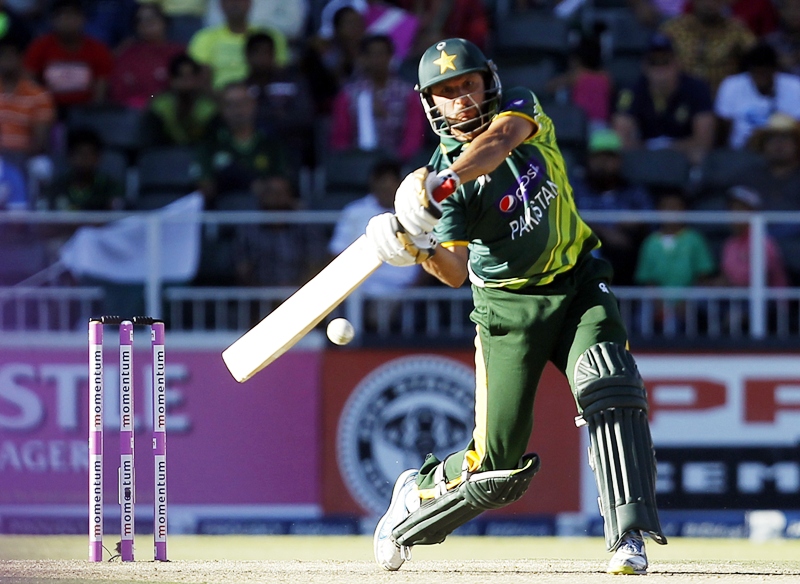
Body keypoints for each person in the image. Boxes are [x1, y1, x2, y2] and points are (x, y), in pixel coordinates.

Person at [364, 38, 667, 575]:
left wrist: (445, 182)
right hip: (508, 313)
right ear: (430, 105)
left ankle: (628, 537)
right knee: (498, 471)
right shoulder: (445, 189)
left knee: (610, 384)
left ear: (489, 82)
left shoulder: (519, 109)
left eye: (468, 86)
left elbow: (500, 140)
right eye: (446, 93)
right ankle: (416, 495)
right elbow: (455, 272)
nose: (461, 100)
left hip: (576, 282)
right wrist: (415, 244)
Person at [329, 158, 424, 306]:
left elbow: (429, 257)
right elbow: (337, 251)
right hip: (360, 292)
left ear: (400, 185)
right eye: (381, 185)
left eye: (390, 185)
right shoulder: (354, 211)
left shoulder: (417, 213)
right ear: (373, 183)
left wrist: (412, 293)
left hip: (405, 295)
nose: (385, 190)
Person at [613, 33, 714, 165]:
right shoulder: (631, 91)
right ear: (644, 65)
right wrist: (650, 148)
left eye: (665, 61)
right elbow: (620, 139)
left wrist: (667, 147)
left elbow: (704, 141)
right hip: (645, 157)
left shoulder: (697, 89)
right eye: (653, 62)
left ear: (677, 63)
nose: (660, 68)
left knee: (699, 155)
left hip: (684, 158)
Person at [571, 129, 654, 286]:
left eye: (609, 157)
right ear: (588, 159)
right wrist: (604, 232)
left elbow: (649, 223)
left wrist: (633, 225)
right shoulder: (574, 188)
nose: (603, 163)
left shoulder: (634, 192)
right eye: (598, 157)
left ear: (619, 160)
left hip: (626, 255)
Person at [330, 34, 425, 162]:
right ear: (363, 58)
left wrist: (399, 159)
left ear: (391, 57)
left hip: (397, 163)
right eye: (372, 54)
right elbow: (340, 138)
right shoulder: (348, 95)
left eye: (382, 54)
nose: (377, 59)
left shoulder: (408, 94)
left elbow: (413, 136)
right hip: (356, 161)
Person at [192, 81, 288, 205]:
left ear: (254, 104)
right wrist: (241, 179)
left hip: (262, 213)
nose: (237, 110)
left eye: (242, 103)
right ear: (221, 108)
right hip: (221, 216)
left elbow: (280, 185)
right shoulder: (210, 143)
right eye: (230, 104)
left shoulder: (270, 142)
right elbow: (204, 189)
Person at [232, 174, 327, 286]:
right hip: (258, 296)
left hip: (299, 294)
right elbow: (241, 267)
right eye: (271, 193)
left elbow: (315, 262)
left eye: (282, 193)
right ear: (262, 197)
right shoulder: (248, 229)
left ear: (291, 197)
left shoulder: (306, 227)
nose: (276, 198)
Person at [23, 0, 114, 113]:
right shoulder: (39, 47)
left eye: (73, 16)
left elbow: (101, 85)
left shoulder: (98, 49)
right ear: (53, 20)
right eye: (63, 16)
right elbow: (29, 79)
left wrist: (94, 112)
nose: (68, 21)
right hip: (48, 110)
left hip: (85, 111)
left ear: (83, 19)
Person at [714, 42, 800, 150]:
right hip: (742, 151)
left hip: (783, 151)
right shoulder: (731, 85)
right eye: (757, 73)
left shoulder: (795, 86)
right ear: (750, 71)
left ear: (775, 70)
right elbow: (723, 127)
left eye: (765, 73)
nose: (761, 79)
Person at [659, 0, 756, 95]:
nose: (710, 3)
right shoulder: (673, 30)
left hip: (721, 102)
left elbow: (759, 58)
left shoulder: (737, 31)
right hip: (681, 101)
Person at [187, 0, 288, 90]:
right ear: (221, 4)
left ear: (250, 3)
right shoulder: (203, 38)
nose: (235, 3)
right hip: (216, 101)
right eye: (229, 0)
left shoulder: (271, 36)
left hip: (261, 100)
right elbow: (197, 78)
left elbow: (281, 73)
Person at [734, 112, 800, 240]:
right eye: (771, 138)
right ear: (763, 145)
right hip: (758, 245)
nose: (778, 143)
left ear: (796, 144)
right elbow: (739, 217)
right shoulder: (749, 176)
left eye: (785, 137)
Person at [634, 189, 716, 287]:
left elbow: (703, 275)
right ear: (658, 210)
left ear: (684, 209)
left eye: (675, 206)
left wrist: (688, 300)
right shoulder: (649, 242)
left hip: (692, 300)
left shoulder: (695, 239)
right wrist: (657, 301)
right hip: (656, 300)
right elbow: (647, 279)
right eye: (666, 207)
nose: (671, 211)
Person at [109, 3, 184, 109]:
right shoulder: (127, 54)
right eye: (140, 20)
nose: (146, 23)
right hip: (132, 113)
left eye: (151, 18)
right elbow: (119, 92)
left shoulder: (179, 52)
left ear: (164, 22)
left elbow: (185, 87)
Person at [143, 52, 218, 147]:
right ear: (172, 79)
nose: (187, 82)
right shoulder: (160, 106)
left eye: (191, 76)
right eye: (181, 76)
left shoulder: (208, 108)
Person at [720, 185, 788, 288]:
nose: (734, 214)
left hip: (767, 302)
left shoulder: (765, 242)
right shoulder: (730, 244)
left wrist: (727, 285)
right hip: (737, 300)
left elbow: (761, 279)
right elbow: (726, 276)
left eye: (739, 209)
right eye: (731, 208)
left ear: (754, 212)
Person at [43, 127, 124, 211]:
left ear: (98, 157)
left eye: (89, 154)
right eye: (80, 154)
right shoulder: (56, 187)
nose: (85, 159)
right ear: (69, 156)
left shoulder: (110, 188)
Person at [767, 0, 800, 78]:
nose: (794, 13)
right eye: (789, 8)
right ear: (780, 11)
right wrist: (776, 61)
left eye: (798, 7)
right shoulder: (769, 44)